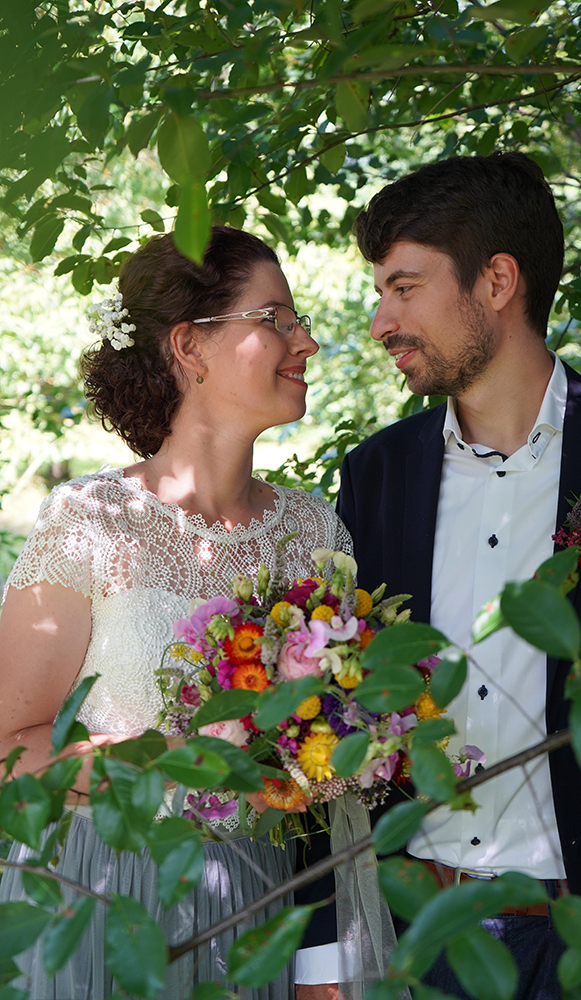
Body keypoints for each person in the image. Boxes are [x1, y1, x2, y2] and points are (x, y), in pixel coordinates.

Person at [337, 152, 581, 1000]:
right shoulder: (375, 477)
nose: (380, 322)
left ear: (495, 281)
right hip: (424, 943)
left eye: (403, 288)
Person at [0, 226, 353, 1000]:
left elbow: (330, 755)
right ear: (190, 346)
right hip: (99, 897)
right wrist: (172, 759)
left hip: (258, 899)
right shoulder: (89, 520)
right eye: (276, 320)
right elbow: (9, 749)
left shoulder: (316, 535)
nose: (306, 342)